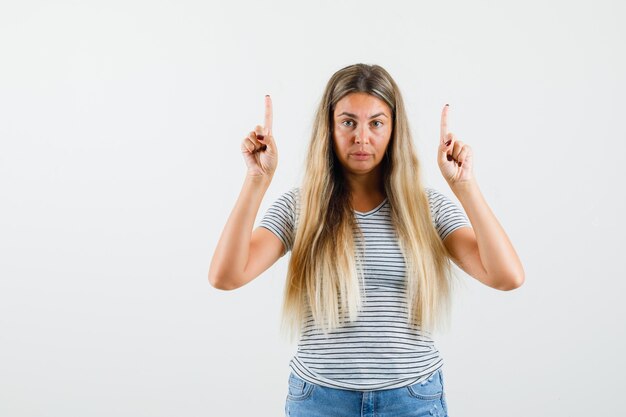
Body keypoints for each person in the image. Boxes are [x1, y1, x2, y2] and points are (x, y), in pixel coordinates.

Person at [208, 63, 524, 417]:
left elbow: (506, 276)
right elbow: (226, 276)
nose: (361, 137)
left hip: (412, 400)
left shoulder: (426, 208)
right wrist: (257, 179)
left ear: (393, 130)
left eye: (376, 123)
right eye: (348, 122)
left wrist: (464, 186)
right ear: (329, 127)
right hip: (321, 401)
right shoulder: (301, 207)